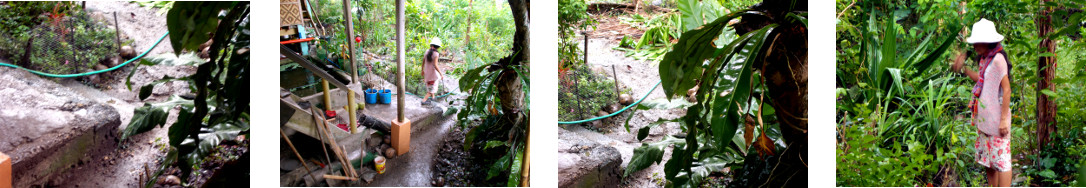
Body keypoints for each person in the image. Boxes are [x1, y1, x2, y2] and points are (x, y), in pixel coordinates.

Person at [951, 18, 1013, 187]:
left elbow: (1006, 90)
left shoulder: (998, 59)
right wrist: (963, 69)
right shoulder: (985, 60)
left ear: (988, 41)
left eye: (978, 42)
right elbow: (982, 80)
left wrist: (1002, 120)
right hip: (985, 119)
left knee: (1002, 161)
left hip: (997, 119)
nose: (975, 46)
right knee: (989, 161)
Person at [421, 37, 443, 105]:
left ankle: (433, 97)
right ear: (438, 47)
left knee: (431, 85)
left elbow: (423, 61)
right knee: (431, 89)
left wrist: (422, 70)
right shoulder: (436, 54)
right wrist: (441, 74)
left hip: (427, 73)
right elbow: (435, 65)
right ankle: (424, 101)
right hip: (432, 74)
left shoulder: (427, 51)